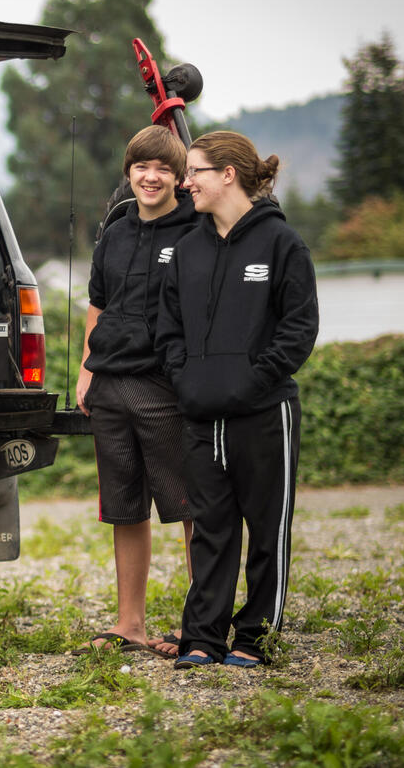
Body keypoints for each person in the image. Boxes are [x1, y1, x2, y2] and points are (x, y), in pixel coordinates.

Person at [156, 131, 319, 669]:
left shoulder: (282, 244)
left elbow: (298, 330)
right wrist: (186, 381)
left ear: (228, 174)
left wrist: (253, 381)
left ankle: (255, 638)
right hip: (201, 414)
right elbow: (169, 331)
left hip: (263, 412)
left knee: (267, 530)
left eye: (195, 172)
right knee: (210, 531)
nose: (186, 183)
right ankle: (203, 637)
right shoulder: (187, 249)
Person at [74, 125, 197, 657]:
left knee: (192, 507)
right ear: (129, 172)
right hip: (110, 384)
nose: (151, 177)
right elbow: (97, 303)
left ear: (178, 178)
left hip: (165, 387)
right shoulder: (116, 231)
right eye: (142, 167)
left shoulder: (195, 230)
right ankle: (130, 625)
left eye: (163, 169)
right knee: (125, 509)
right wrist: (85, 370)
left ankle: (202, 623)